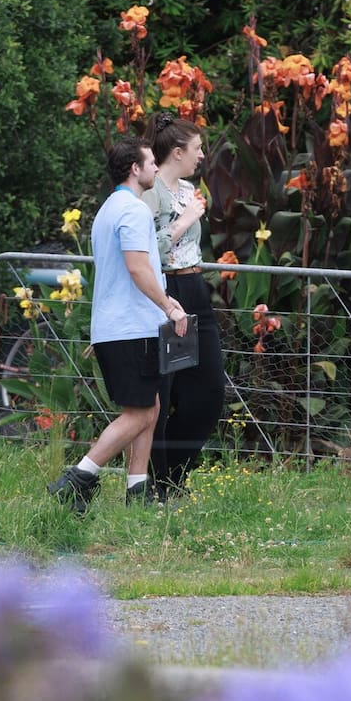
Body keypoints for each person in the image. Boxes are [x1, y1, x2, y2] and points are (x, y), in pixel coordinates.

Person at [49, 137, 189, 512]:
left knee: (152, 406)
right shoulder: (133, 210)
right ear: (135, 169)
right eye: (150, 163)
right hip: (131, 328)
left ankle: (137, 491)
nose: (157, 168)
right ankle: (79, 477)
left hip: (122, 325)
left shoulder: (110, 209)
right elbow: (137, 266)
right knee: (140, 413)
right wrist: (168, 307)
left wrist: (165, 299)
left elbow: (131, 272)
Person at [147, 113, 225, 500]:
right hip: (166, 289)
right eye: (196, 149)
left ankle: (175, 474)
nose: (201, 155)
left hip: (194, 285)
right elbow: (148, 248)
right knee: (163, 393)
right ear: (177, 152)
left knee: (208, 392)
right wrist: (186, 219)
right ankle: (160, 484)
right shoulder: (151, 191)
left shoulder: (188, 189)